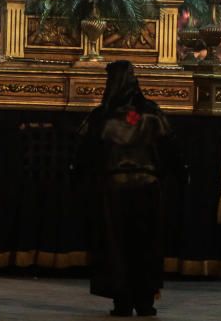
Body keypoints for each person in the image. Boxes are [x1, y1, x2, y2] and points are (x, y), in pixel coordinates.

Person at [74, 60, 181, 317]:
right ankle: (145, 300)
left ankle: (121, 301)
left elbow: (84, 157)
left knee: (116, 245)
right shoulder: (152, 114)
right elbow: (170, 153)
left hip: (113, 189)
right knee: (147, 243)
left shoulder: (101, 117)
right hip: (148, 186)